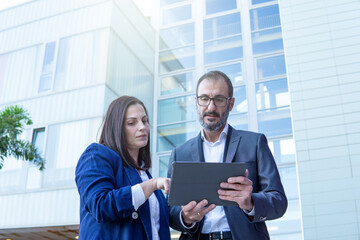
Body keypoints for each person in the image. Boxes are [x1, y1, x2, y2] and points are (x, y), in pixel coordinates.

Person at [167, 71, 287, 240]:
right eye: (204, 98)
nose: (211, 107)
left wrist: (251, 202)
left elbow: (279, 201)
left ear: (230, 104)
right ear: (196, 102)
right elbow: (170, 210)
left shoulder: (254, 143)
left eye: (219, 99)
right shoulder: (180, 153)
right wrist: (185, 218)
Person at [75, 96, 171, 240]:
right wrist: (152, 185)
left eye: (145, 121)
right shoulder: (96, 155)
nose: (142, 127)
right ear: (116, 127)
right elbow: (100, 205)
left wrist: (185, 216)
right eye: (132, 123)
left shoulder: (144, 173)